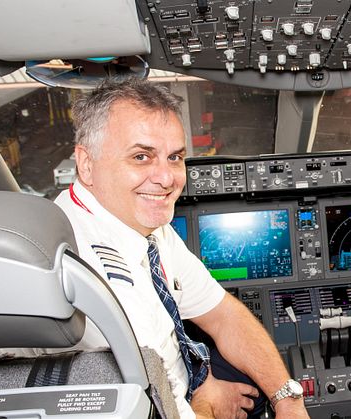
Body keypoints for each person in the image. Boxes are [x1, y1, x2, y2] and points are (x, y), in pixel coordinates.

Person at [53, 78, 309, 419]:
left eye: (174, 157)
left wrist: (288, 400)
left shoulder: (137, 220)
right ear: (86, 164)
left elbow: (223, 315)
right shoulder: (90, 273)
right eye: (141, 157)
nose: (167, 178)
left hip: (178, 375)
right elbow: (160, 404)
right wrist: (202, 402)